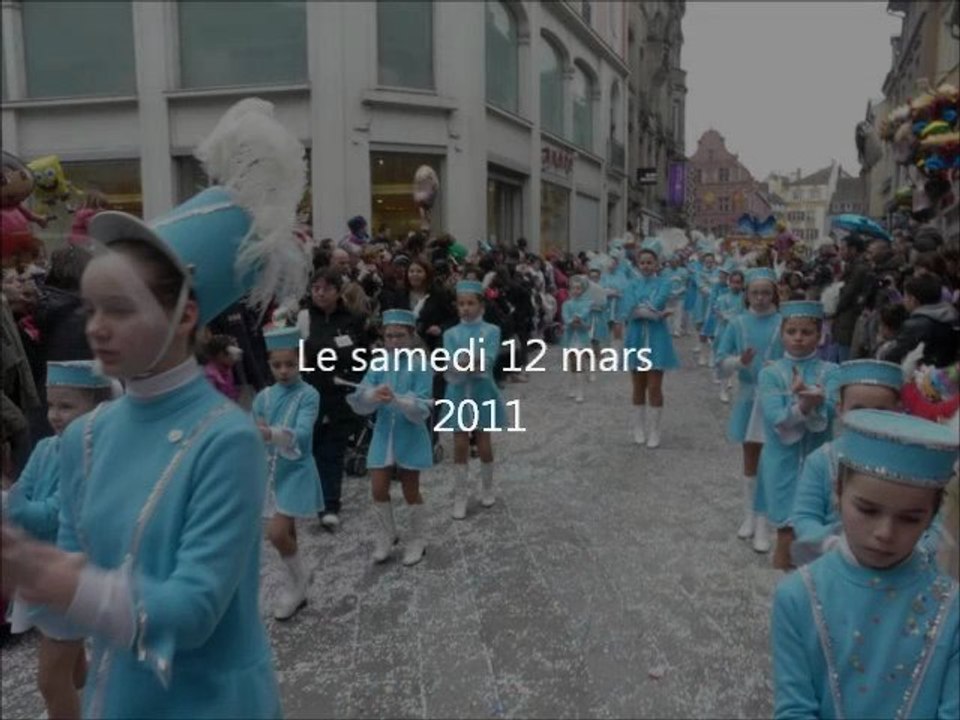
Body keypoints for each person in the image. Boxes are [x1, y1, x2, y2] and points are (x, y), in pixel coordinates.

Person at [0, 97, 302, 718]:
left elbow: (193, 609)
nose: (97, 329)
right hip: (124, 699)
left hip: (216, 704)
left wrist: (55, 578)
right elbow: (73, 549)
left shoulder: (228, 439)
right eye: (93, 308)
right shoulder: (91, 433)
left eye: (122, 309)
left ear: (185, 316)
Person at [771, 409, 958, 719]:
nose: (885, 533)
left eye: (910, 518)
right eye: (868, 510)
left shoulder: (951, 610)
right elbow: (795, 709)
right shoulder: (798, 597)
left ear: (932, 515)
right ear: (838, 493)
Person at [6, 361, 114, 719]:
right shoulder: (46, 448)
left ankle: (74, 703)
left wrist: (14, 507)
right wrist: (17, 502)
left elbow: (54, 514)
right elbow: (28, 488)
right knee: (70, 664)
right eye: (52, 405)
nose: (54, 415)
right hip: (44, 566)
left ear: (99, 408)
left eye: (67, 406)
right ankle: (84, 700)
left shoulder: (95, 456)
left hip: (70, 571)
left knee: (51, 680)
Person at [790, 359, 904, 566]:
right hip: (831, 563)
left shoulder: (910, 464)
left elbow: (931, 526)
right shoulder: (822, 460)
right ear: (841, 409)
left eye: (880, 411)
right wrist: (834, 544)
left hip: (893, 566)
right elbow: (804, 517)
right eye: (858, 410)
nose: (868, 419)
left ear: (898, 411)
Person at [346, 309, 433, 566]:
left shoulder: (421, 365)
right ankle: (387, 534)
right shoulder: (377, 363)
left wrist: (399, 401)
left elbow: (424, 406)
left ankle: (418, 539)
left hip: (410, 434)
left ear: (411, 336)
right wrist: (373, 395)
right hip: (383, 434)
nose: (393, 341)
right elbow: (361, 397)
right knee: (378, 488)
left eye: (399, 336)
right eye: (389, 336)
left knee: (410, 490)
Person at [757, 301, 838, 568]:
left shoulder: (832, 372)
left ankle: (810, 598)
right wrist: (804, 404)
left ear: (820, 335)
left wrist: (815, 404)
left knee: (816, 535)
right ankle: (784, 594)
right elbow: (774, 419)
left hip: (819, 464)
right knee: (786, 532)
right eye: (792, 331)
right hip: (782, 461)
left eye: (806, 332)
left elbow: (830, 418)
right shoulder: (770, 372)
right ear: (782, 334)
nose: (799, 338)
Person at [253, 327, 323, 620]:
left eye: (290, 364)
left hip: (296, 468)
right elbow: (254, 431)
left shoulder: (308, 395)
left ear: (300, 361)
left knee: (277, 533)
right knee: (287, 533)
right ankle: (298, 584)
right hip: (271, 472)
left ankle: (300, 580)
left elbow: (304, 434)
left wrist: (270, 433)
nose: (283, 371)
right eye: (276, 365)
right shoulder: (264, 397)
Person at [714, 267, 783, 547]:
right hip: (747, 396)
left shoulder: (783, 322)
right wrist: (739, 362)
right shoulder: (738, 324)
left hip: (776, 398)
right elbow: (720, 361)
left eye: (766, 293)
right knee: (750, 456)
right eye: (755, 293)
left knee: (772, 458)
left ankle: (765, 521)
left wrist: (779, 368)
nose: (760, 298)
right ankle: (749, 514)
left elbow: (795, 356)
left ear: (774, 294)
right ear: (747, 295)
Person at [297, 267, 368, 530]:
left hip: (340, 393)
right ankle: (312, 498)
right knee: (311, 447)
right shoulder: (304, 318)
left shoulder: (353, 319)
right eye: (315, 288)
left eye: (326, 288)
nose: (320, 293)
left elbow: (361, 356)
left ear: (338, 291)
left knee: (333, 450)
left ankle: (330, 504)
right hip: (310, 392)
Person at [444, 279, 504, 519]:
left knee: (483, 440)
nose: (465, 308)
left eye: (470, 303)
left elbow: (489, 359)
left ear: (481, 305)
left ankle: (487, 486)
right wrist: (458, 363)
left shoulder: (491, 330)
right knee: (459, 442)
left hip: (482, 390)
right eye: (461, 304)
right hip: (458, 392)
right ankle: (461, 495)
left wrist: (472, 362)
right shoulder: (451, 333)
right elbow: (449, 358)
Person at [618, 246, 679, 449]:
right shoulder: (631, 285)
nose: (645, 266)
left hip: (657, 338)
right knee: (637, 386)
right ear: (637, 264)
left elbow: (656, 303)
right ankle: (638, 427)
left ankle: (655, 429)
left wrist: (646, 309)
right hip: (635, 337)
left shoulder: (664, 283)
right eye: (642, 262)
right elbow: (631, 310)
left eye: (649, 262)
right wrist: (651, 311)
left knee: (654, 386)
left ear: (656, 264)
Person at [882, 273, 959, 367]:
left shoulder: (915, 325)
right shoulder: (951, 315)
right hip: (947, 374)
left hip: (924, 375)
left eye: (905, 296)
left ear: (913, 300)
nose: (903, 300)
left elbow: (892, 355)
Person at [833, 233, 873, 362]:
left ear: (853, 250)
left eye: (843, 249)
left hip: (849, 320)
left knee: (845, 362)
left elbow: (847, 295)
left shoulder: (859, 269)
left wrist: (832, 308)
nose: (841, 252)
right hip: (844, 320)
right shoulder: (852, 267)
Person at [561, 275, 593, 403]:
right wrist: (571, 321)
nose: (576, 291)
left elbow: (588, 323)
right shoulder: (566, 304)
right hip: (570, 339)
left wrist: (581, 322)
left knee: (578, 365)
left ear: (583, 290)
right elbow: (565, 317)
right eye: (573, 288)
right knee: (572, 366)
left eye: (579, 288)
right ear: (570, 290)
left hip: (582, 339)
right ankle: (572, 388)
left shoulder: (587, 304)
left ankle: (580, 391)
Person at [200, 333, 241, 403]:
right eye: (233, 354)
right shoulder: (209, 376)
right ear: (221, 355)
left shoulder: (227, 368)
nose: (236, 358)